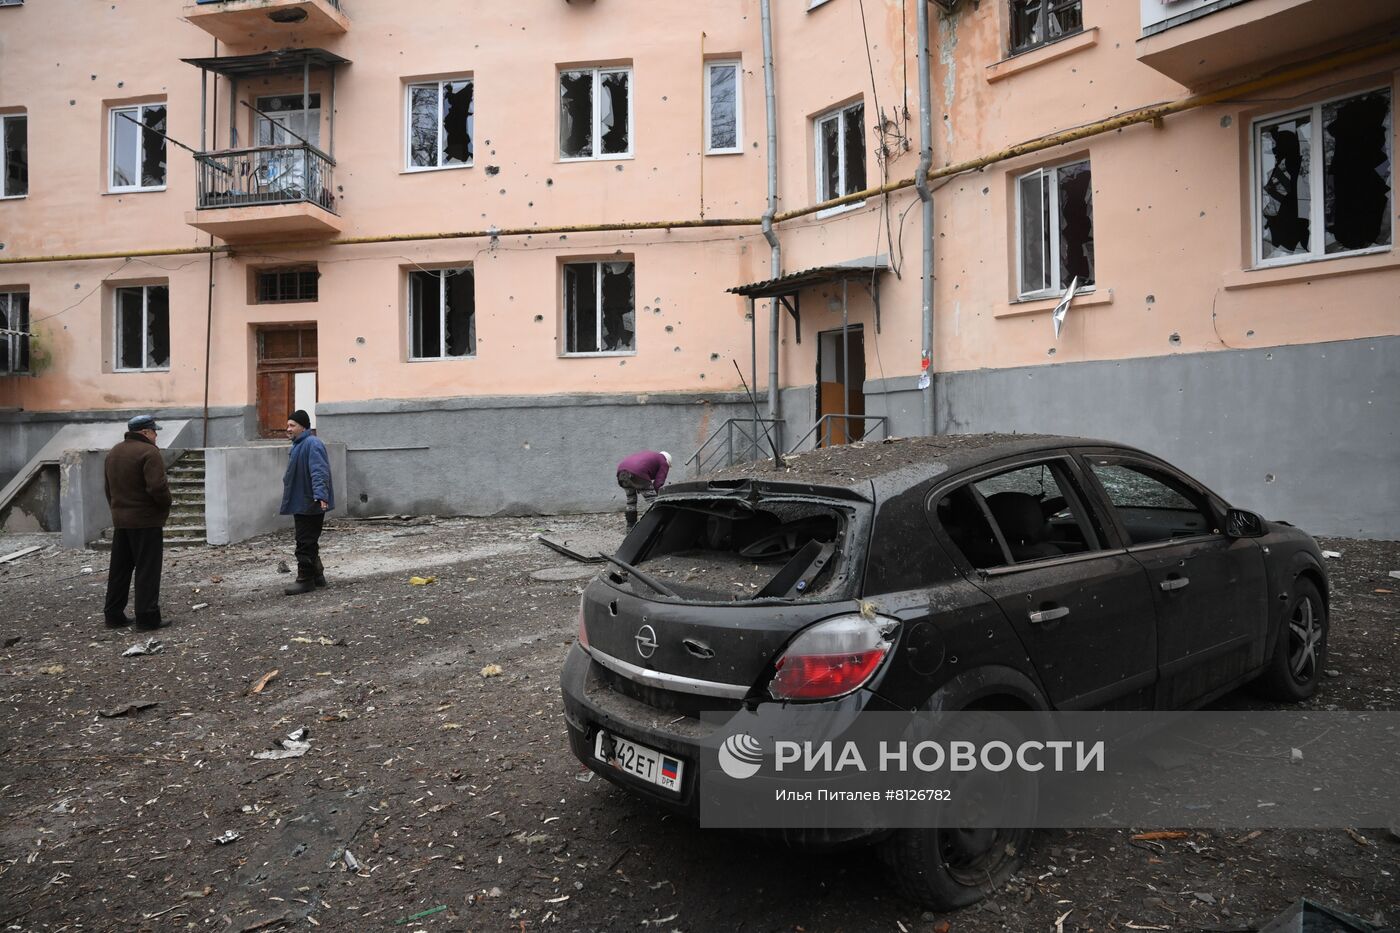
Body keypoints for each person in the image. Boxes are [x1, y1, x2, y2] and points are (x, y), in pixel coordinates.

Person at [103, 414, 171, 630]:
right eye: (154, 431)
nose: (156, 434)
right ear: (145, 432)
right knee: (147, 570)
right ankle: (147, 617)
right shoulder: (149, 452)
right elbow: (157, 488)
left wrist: (117, 509)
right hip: (146, 520)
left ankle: (113, 615)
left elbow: (108, 488)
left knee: (120, 570)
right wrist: (165, 506)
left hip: (121, 520)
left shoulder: (115, 451)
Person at [280, 410, 333, 596]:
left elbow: (319, 471)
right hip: (302, 500)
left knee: (304, 542)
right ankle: (318, 576)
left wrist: (321, 495)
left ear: (304, 426)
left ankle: (305, 579)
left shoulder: (312, 444)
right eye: (288, 425)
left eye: (292, 425)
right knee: (309, 540)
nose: (288, 429)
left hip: (310, 502)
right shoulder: (298, 445)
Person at [616, 450, 671, 528]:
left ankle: (630, 526)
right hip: (638, 472)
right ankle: (658, 524)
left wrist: (639, 485)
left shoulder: (652, 456)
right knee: (652, 502)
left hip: (621, 473)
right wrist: (656, 495)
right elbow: (658, 483)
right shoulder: (664, 462)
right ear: (668, 461)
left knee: (631, 501)